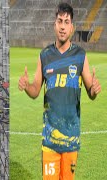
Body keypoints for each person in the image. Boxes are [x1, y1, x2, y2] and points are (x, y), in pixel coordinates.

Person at [18, 3, 101, 180]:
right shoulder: (45, 55)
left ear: (72, 27)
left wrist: (94, 89)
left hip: (71, 139)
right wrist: (27, 86)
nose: (63, 26)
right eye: (59, 21)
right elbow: (35, 91)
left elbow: (90, 92)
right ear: (54, 24)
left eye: (67, 22)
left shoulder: (80, 55)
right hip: (49, 140)